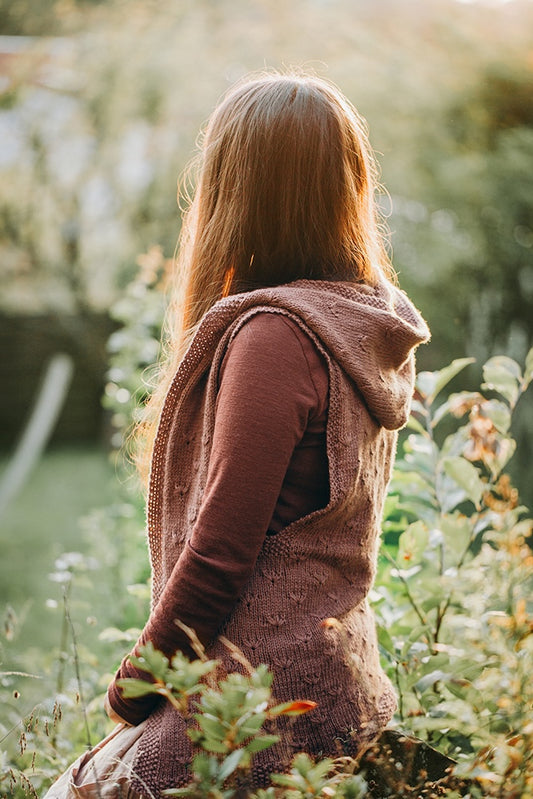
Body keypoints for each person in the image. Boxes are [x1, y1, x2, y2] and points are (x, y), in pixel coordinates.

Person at [45, 70, 429, 798]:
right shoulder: (358, 324)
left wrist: (135, 684)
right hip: (338, 679)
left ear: (236, 191)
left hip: (256, 700)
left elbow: (219, 553)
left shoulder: (275, 336)